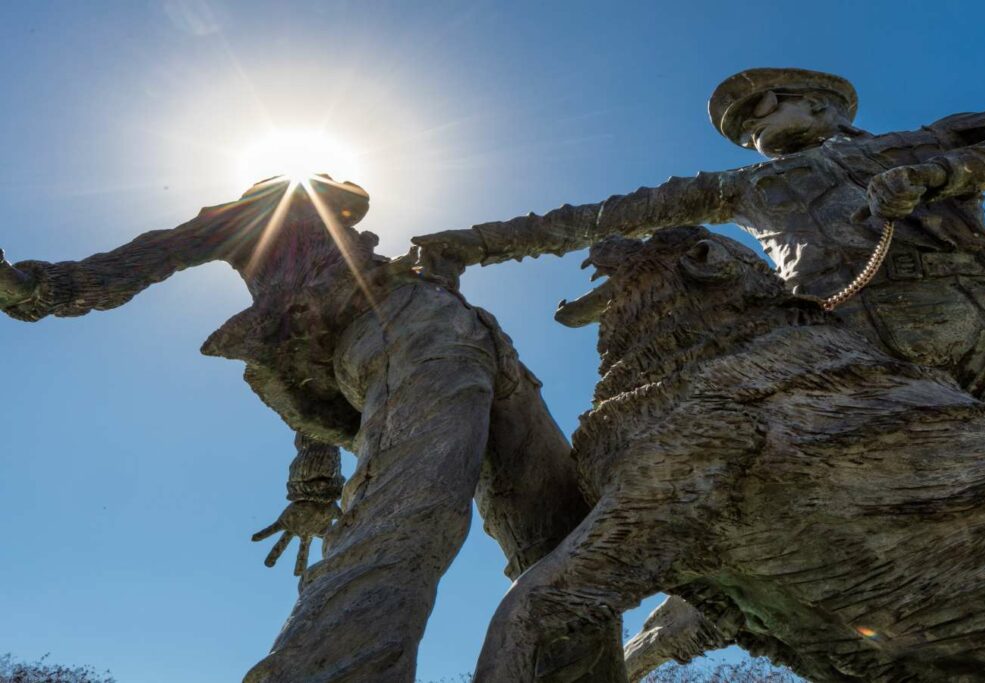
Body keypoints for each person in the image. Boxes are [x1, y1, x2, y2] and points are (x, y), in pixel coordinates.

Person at [0, 176, 618, 682]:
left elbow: (316, 381)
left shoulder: (390, 260)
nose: (340, 212)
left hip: (484, 349)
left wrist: (313, 489)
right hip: (409, 337)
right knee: (410, 517)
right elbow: (145, 259)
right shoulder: (258, 217)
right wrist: (33, 288)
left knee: (573, 548)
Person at [414, 67, 985, 401]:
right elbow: (596, 219)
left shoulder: (931, 138)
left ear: (821, 104)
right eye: (740, 127)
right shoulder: (740, 186)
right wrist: (474, 243)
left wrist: (946, 172)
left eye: (761, 106)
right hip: (846, 327)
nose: (749, 126)